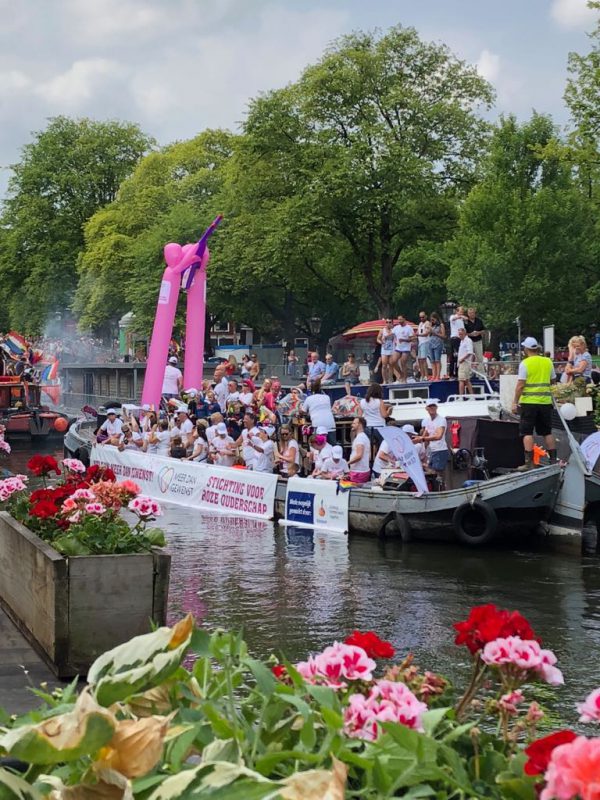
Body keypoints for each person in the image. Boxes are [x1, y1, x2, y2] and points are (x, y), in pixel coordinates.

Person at [512, 337, 557, 470]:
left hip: (529, 403)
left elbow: (520, 385)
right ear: (537, 348)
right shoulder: (548, 362)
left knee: (527, 433)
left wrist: (515, 402)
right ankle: (553, 461)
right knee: (547, 432)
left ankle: (528, 463)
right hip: (545, 403)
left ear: (526, 349)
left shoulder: (525, 363)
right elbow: (553, 381)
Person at [417, 401, 449, 479]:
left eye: (433, 406)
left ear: (436, 407)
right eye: (430, 406)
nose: (432, 407)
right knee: (430, 472)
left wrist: (423, 438)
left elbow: (439, 436)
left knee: (437, 474)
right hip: (431, 451)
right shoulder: (427, 420)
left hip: (440, 450)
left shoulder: (441, 420)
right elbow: (425, 435)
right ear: (426, 408)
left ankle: (441, 489)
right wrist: (417, 440)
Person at [301, 378, 336, 444]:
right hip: (330, 424)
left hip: (318, 425)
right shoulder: (327, 397)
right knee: (332, 446)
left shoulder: (309, 399)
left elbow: (303, 411)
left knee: (318, 446)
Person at [347, 417, 371, 483]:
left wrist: (347, 463)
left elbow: (359, 455)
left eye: (354, 423)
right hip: (361, 470)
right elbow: (369, 456)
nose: (352, 425)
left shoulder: (360, 438)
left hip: (358, 472)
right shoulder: (364, 437)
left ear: (359, 424)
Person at [391, 315, 415, 383]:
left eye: (401, 319)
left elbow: (413, 338)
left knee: (403, 362)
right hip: (398, 347)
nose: (399, 321)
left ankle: (405, 378)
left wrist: (405, 340)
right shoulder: (396, 328)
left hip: (406, 348)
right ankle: (401, 373)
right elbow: (391, 334)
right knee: (393, 361)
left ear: (404, 319)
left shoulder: (409, 328)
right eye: (398, 320)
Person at [449, 306, 467, 378]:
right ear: (457, 311)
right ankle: (451, 373)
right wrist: (460, 316)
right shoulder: (453, 317)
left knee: (459, 356)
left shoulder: (461, 320)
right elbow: (452, 319)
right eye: (461, 311)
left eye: (462, 312)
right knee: (453, 356)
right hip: (455, 338)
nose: (462, 313)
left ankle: (457, 372)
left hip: (460, 339)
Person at [377, 319, 396, 384]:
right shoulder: (382, 330)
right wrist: (381, 342)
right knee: (384, 365)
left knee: (391, 364)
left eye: (389, 322)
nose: (388, 323)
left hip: (392, 349)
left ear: (392, 323)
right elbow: (378, 339)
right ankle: (384, 380)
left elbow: (396, 339)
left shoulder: (394, 330)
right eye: (387, 322)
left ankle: (390, 379)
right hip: (385, 349)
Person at [457, 327, 474, 395]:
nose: (460, 335)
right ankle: (472, 396)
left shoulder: (468, 340)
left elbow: (470, 352)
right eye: (459, 334)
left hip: (465, 362)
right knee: (467, 380)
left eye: (461, 334)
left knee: (461, 380)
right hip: (462, 362)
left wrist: (462, 359)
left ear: (465, 333)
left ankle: (461, 396)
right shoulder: (462, 341)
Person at [429, 312, 445, 382]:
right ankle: (433, 375)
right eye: (431, 320)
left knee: (437, 360)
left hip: (438, 343)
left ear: (436, 319)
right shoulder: (431, 325)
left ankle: (438, 375)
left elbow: (443, 336)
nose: (432, 321)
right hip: (431, 343)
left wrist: (435, 333)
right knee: (432, 361)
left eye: (433, 320)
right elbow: (429, 334)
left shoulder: (441, 325)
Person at [416, 311, 432, 381]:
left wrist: (418, 335)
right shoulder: (420, 324)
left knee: (423, 359)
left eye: (423, 317)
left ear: (426, 316)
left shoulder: (427, 323)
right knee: (419, 360)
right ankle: (422, 375)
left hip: (425, 342)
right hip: (420, 342)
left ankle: (426, 375)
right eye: (420, 317)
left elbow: (427, 333)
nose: (421, 318)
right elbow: (417, 332)